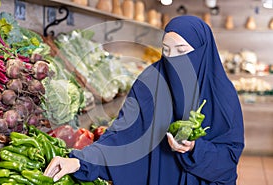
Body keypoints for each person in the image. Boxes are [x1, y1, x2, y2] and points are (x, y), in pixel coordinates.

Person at [44, 15, 245, 185]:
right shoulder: (151, 81)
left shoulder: (222, 96)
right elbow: (122, 136)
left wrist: (195, 149)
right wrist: (80, 161)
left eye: (182, 51)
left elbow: (228, 159)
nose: (173, 59)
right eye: (166, 51)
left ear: (202, 51)